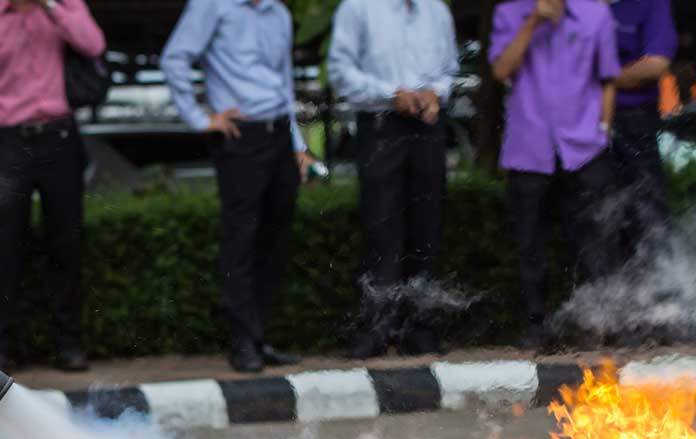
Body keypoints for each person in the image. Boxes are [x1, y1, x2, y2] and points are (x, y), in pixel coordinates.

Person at [161, 0, 312, 374]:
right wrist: (199, 118)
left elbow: (284, 81)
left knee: (274, 239)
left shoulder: (278, 12)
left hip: (278, 131)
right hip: (240, 136)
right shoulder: (211, 5)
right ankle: (242, 342)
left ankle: (260, 337)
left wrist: (297, 145)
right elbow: (174, 59)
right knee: (240, 240)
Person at [0, 0, 105, 373]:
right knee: (4, 244)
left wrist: (52, 7)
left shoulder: (66, 5)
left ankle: (68, 343)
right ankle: (0, 345)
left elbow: (94, 46)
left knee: (67, 242)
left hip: (59, 136)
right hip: (9, 142)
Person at [327, 0, 459, 359]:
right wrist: (390, 93)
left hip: (429, 126)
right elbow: (340, 71)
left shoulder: (437, 10)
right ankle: (375, 330)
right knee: (380, 228)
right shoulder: (357, 8)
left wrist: (435, 92)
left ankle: (419, 331)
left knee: (426, 228)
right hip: (382, 123)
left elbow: (449, 70)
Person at [490, 0, 620, 351]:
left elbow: (608, 77)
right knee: (530, 243)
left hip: (584, 147)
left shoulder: (596, 13)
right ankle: (536, 326)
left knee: (592, 242)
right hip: (529, 147)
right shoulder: (509, 12)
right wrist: (532, 22)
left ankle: (594, 325)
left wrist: (603, 129)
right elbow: (502, 70)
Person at [610, 0, 677, 254]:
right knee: (594, 214)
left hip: (634, 119)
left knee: (646, 209)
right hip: (581, 121)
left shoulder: (651, 3)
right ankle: (607, 288)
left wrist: (597, 78)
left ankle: (661, 284)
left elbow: (656, 65)